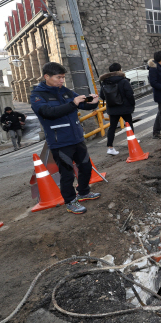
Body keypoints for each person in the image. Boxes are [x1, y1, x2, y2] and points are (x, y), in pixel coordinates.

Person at [30, 62, 100, 215]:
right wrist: (73, 103)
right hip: (60, 142)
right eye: (58, 77)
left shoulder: (65, 91)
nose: (61, 81)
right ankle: (70, 201)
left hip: (76, 138)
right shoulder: (37, 96)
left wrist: (92, 102)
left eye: (63, 77)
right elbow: (49, 112)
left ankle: (83, 192)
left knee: (86, 167)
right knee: (67, 174)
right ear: (46, 77)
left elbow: (80, 103)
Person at [99, 63, 135, 156]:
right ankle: (132, 141)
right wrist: (132, 104)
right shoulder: (123, 81)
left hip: (112, 108)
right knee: (129, 124)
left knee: (112, 127)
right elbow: (129, 94)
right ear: (119, 70)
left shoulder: (105, 82)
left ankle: (110, 147)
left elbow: (102, 96)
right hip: (124, 107)